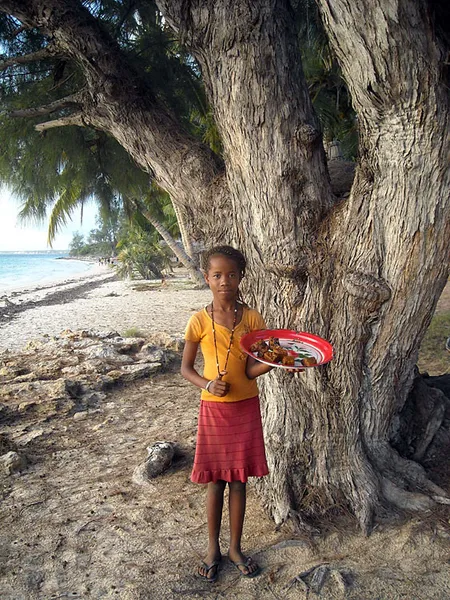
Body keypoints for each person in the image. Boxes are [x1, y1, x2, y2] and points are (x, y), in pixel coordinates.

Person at [181, 245, 277, 583]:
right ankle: (213, 549)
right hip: (214, 411)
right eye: (218, 275)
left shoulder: (252, 318)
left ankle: (235, 547)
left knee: (239, 480)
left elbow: (252, 369)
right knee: (216, 481)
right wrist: (207, 385)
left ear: (241, 277)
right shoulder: (198, 321)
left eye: (232, 275)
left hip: (245, 407)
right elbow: (186, 368)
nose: (225, 281)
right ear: (207, 278)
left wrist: (280, 362)